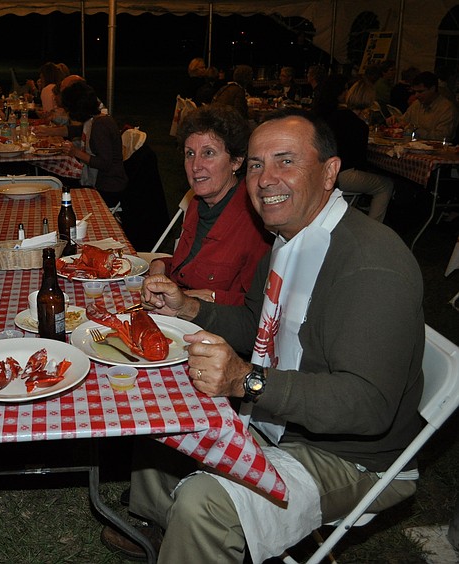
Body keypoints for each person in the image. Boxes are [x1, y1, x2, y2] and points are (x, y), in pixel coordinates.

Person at [118, 109, 423, 563]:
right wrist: (189, 308)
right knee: (156, 405)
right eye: (257, 165)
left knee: (206, 504)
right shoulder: (288, 240)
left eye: (286, 161)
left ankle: (190, 534)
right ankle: (162, 528)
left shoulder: (371, 265)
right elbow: (256, 324)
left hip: (354, 456)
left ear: (330, 172)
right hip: (283, 421)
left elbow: (367, 407)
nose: (265, 179)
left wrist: (248, 381)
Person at [149, 106, 271, 305]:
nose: (195, 165)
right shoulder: (197, 204)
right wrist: (161, 265)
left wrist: (205, 298)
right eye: (190, 153)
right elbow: (191, 268)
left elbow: (259, 306)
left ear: (236, 161)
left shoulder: (256, 222)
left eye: (208, 153)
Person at [315, 76, 394, 223]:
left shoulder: (333, 116)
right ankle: (373, 227)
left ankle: (349, 220)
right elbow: (359, 161)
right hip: (342, 174)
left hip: (325, 171)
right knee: (386, 185)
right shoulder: (359, 126)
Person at [59, 80, 127, 208]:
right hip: (106, 183)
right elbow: (76, 130)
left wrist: (76, 152)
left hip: (109, 187)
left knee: (68, 198)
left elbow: (105, 163)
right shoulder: (96, 120)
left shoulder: (100, 126)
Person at [389, 71, 459, 141]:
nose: (416, 95)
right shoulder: (417, 104)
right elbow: (404, 121)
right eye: (415, 92)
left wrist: (414, 130)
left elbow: (442, 137)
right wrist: (395, 120)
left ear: (432, 89)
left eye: (420, 92)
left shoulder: (447, 109)